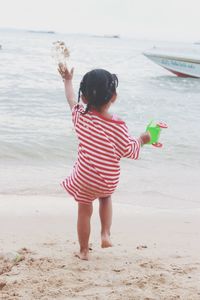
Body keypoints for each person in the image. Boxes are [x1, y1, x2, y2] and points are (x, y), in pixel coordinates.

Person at [58, 64, 150, 260]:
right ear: (113, 97)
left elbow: (70, 99)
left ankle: (83, 250)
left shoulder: (80, 116)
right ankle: (105, 233)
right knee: (105, 198)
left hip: (83, 178)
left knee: (84, 210)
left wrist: (67, 80)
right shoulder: (118, 125)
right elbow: (129, 150)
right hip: (107, 180)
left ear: (84, 98)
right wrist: (142, 140)